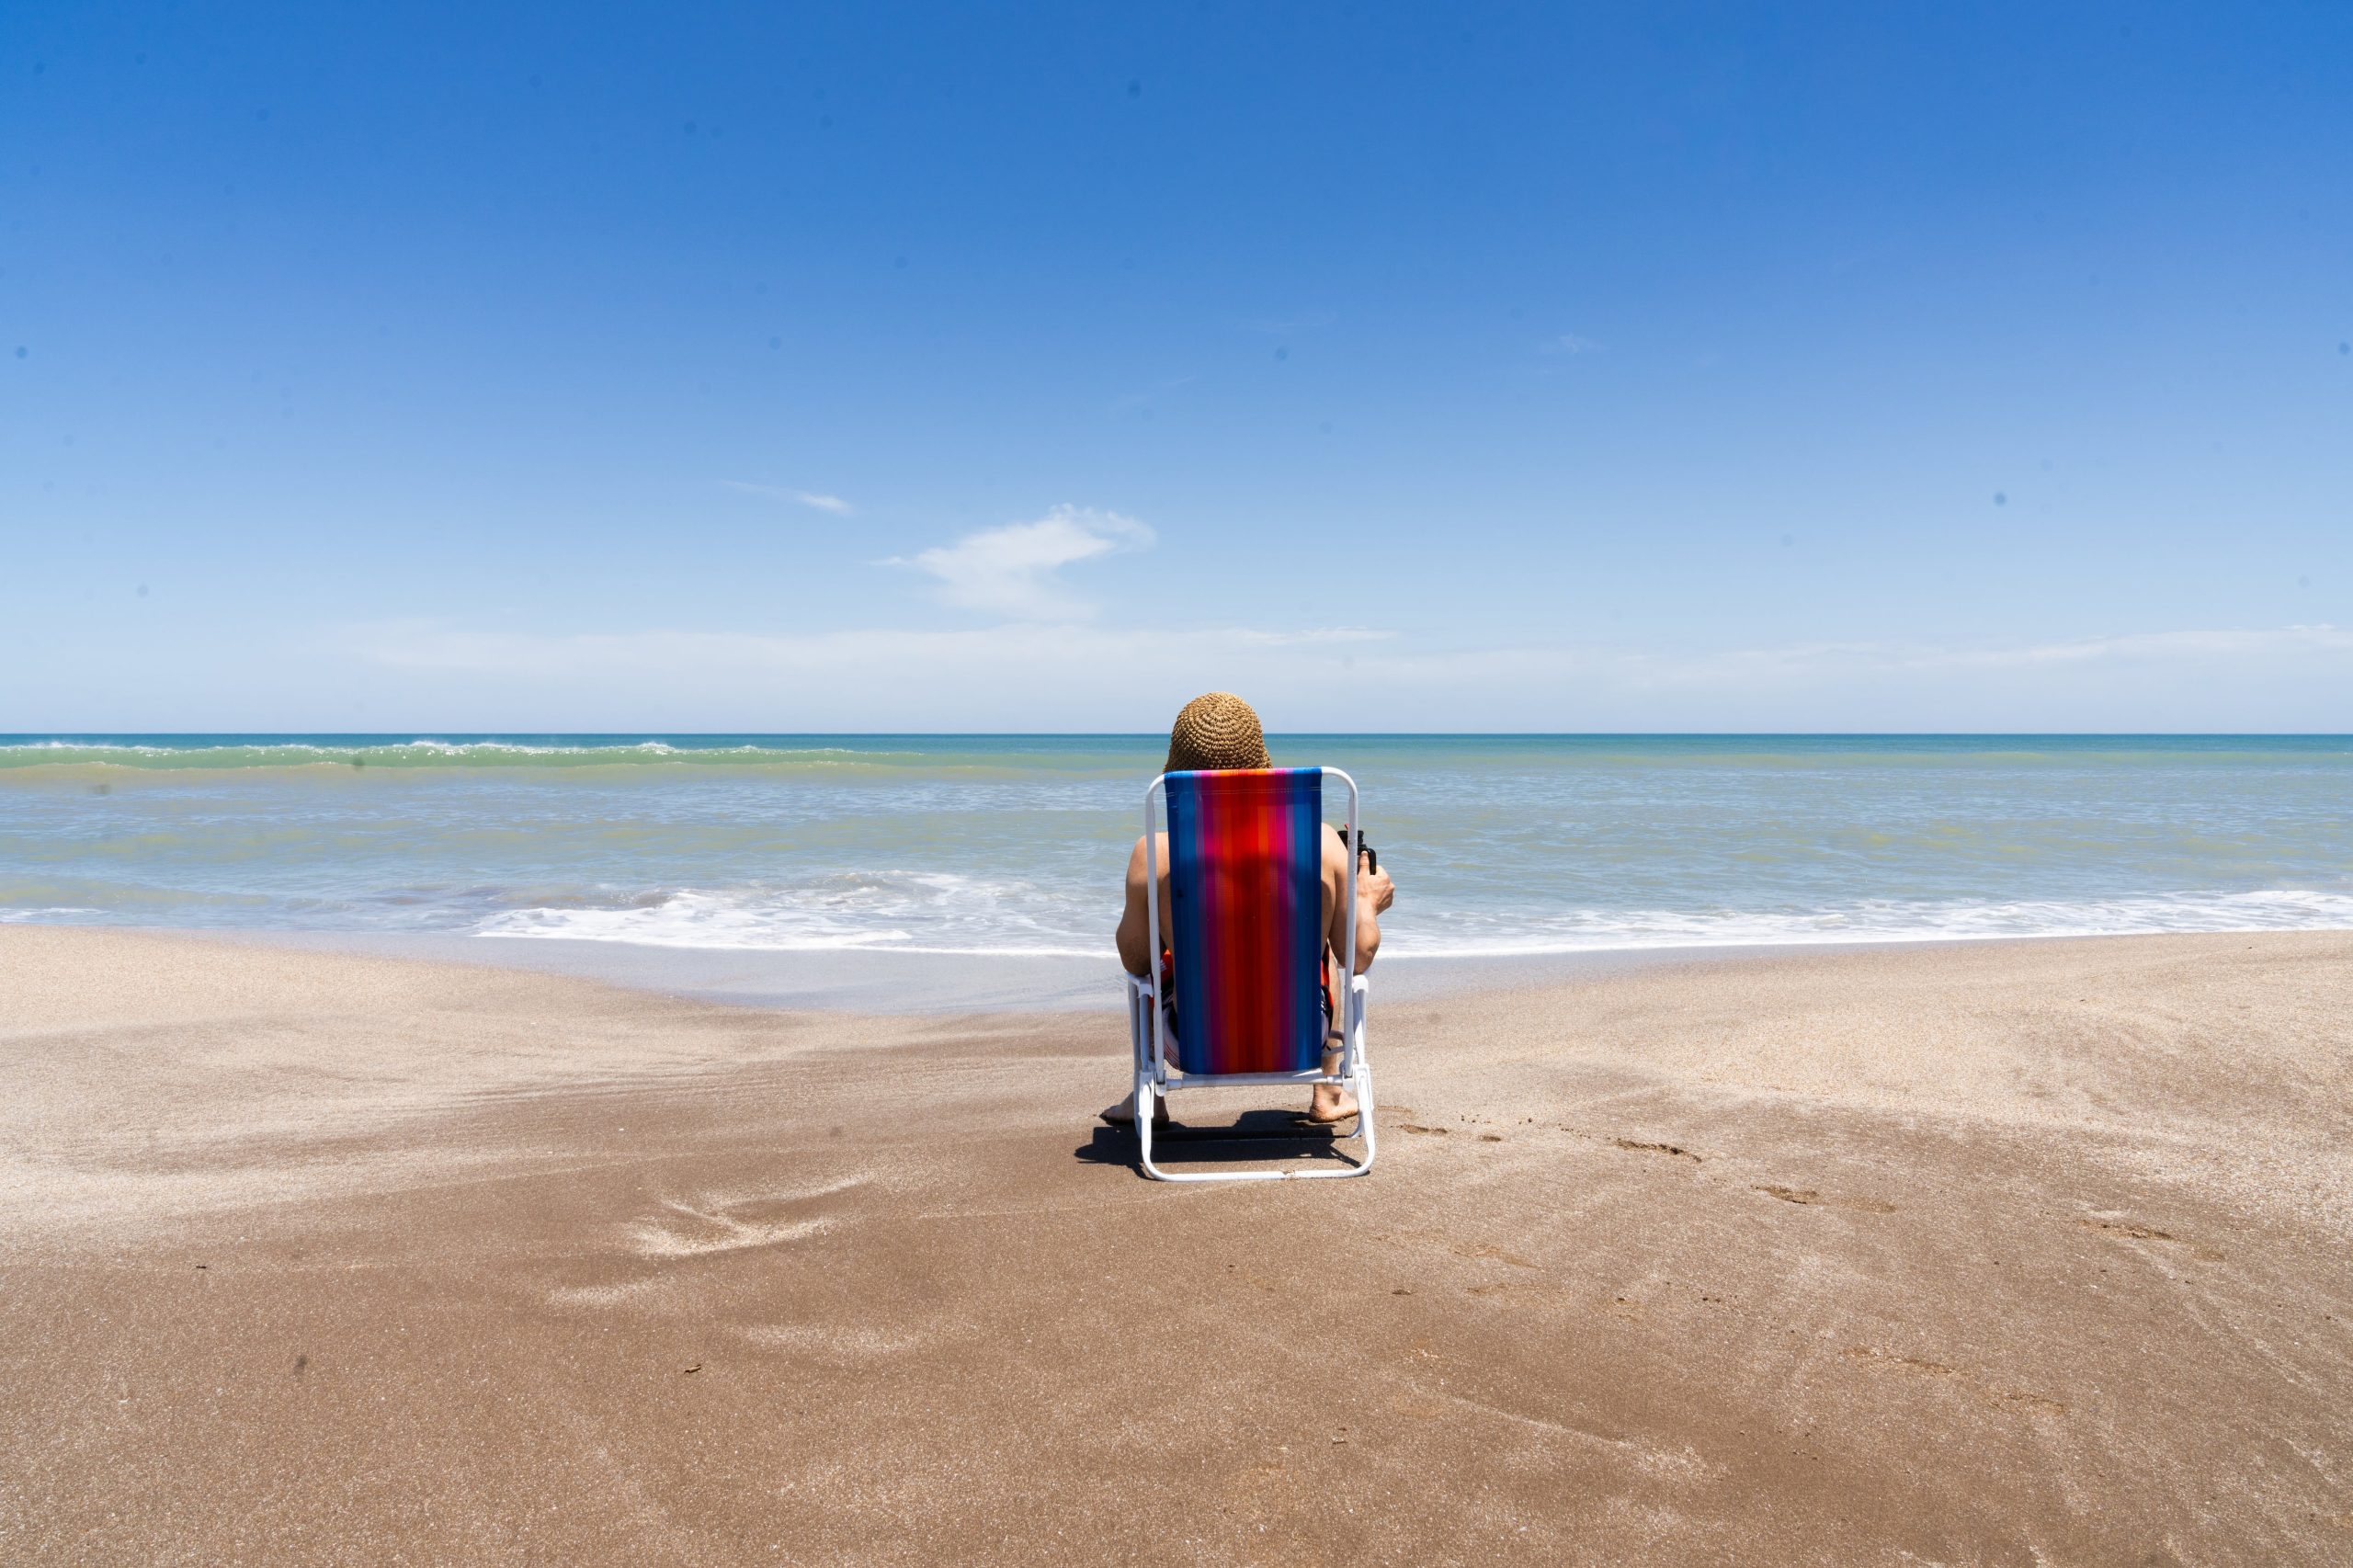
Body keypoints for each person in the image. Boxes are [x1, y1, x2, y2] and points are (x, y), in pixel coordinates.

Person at [1102, 692, 1396, 1128]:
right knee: (1324, 953)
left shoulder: (1157, 852)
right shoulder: (1323, 844)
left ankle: (1150, 1096)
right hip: (1301, 1040)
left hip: (1190, 1043)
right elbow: (1360, 955)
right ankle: (1329, 1091)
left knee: (1158, 964)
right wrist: (1366, 900)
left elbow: (1135, 960)